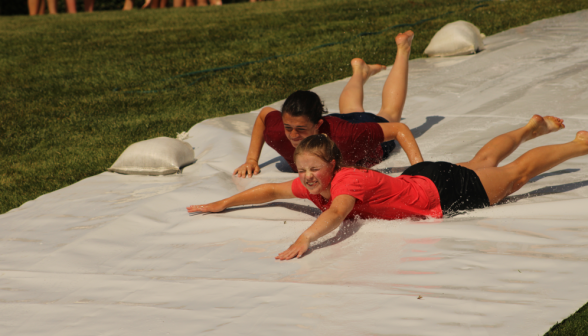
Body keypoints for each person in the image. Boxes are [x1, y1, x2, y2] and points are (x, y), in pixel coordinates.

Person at [188, 115, 586, 260]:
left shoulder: (344, 182)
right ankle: (528, 128)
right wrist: (223, 203)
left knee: (515, 175)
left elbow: (336, 213)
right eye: (302, 169)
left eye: (314, 169)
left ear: (332, 165)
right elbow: (270, 191)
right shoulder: (315, 181)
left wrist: (306, 239)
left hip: (441, 190)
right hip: (425, 175)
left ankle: (577, 145)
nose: (306, 176)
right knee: (484, 164)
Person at [234, 30, 417, 177]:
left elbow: (399, 129)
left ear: (318, 125)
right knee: (351, 110)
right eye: (288, 127)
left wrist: (421, 171)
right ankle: (359, 72)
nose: (293, 135)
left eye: (301, 129)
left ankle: (403, 50)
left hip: (356, 138)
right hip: (338, 124)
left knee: (389, 113)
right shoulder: (278, 130)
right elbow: (264, 115)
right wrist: (251, 159)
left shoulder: (345, 137)